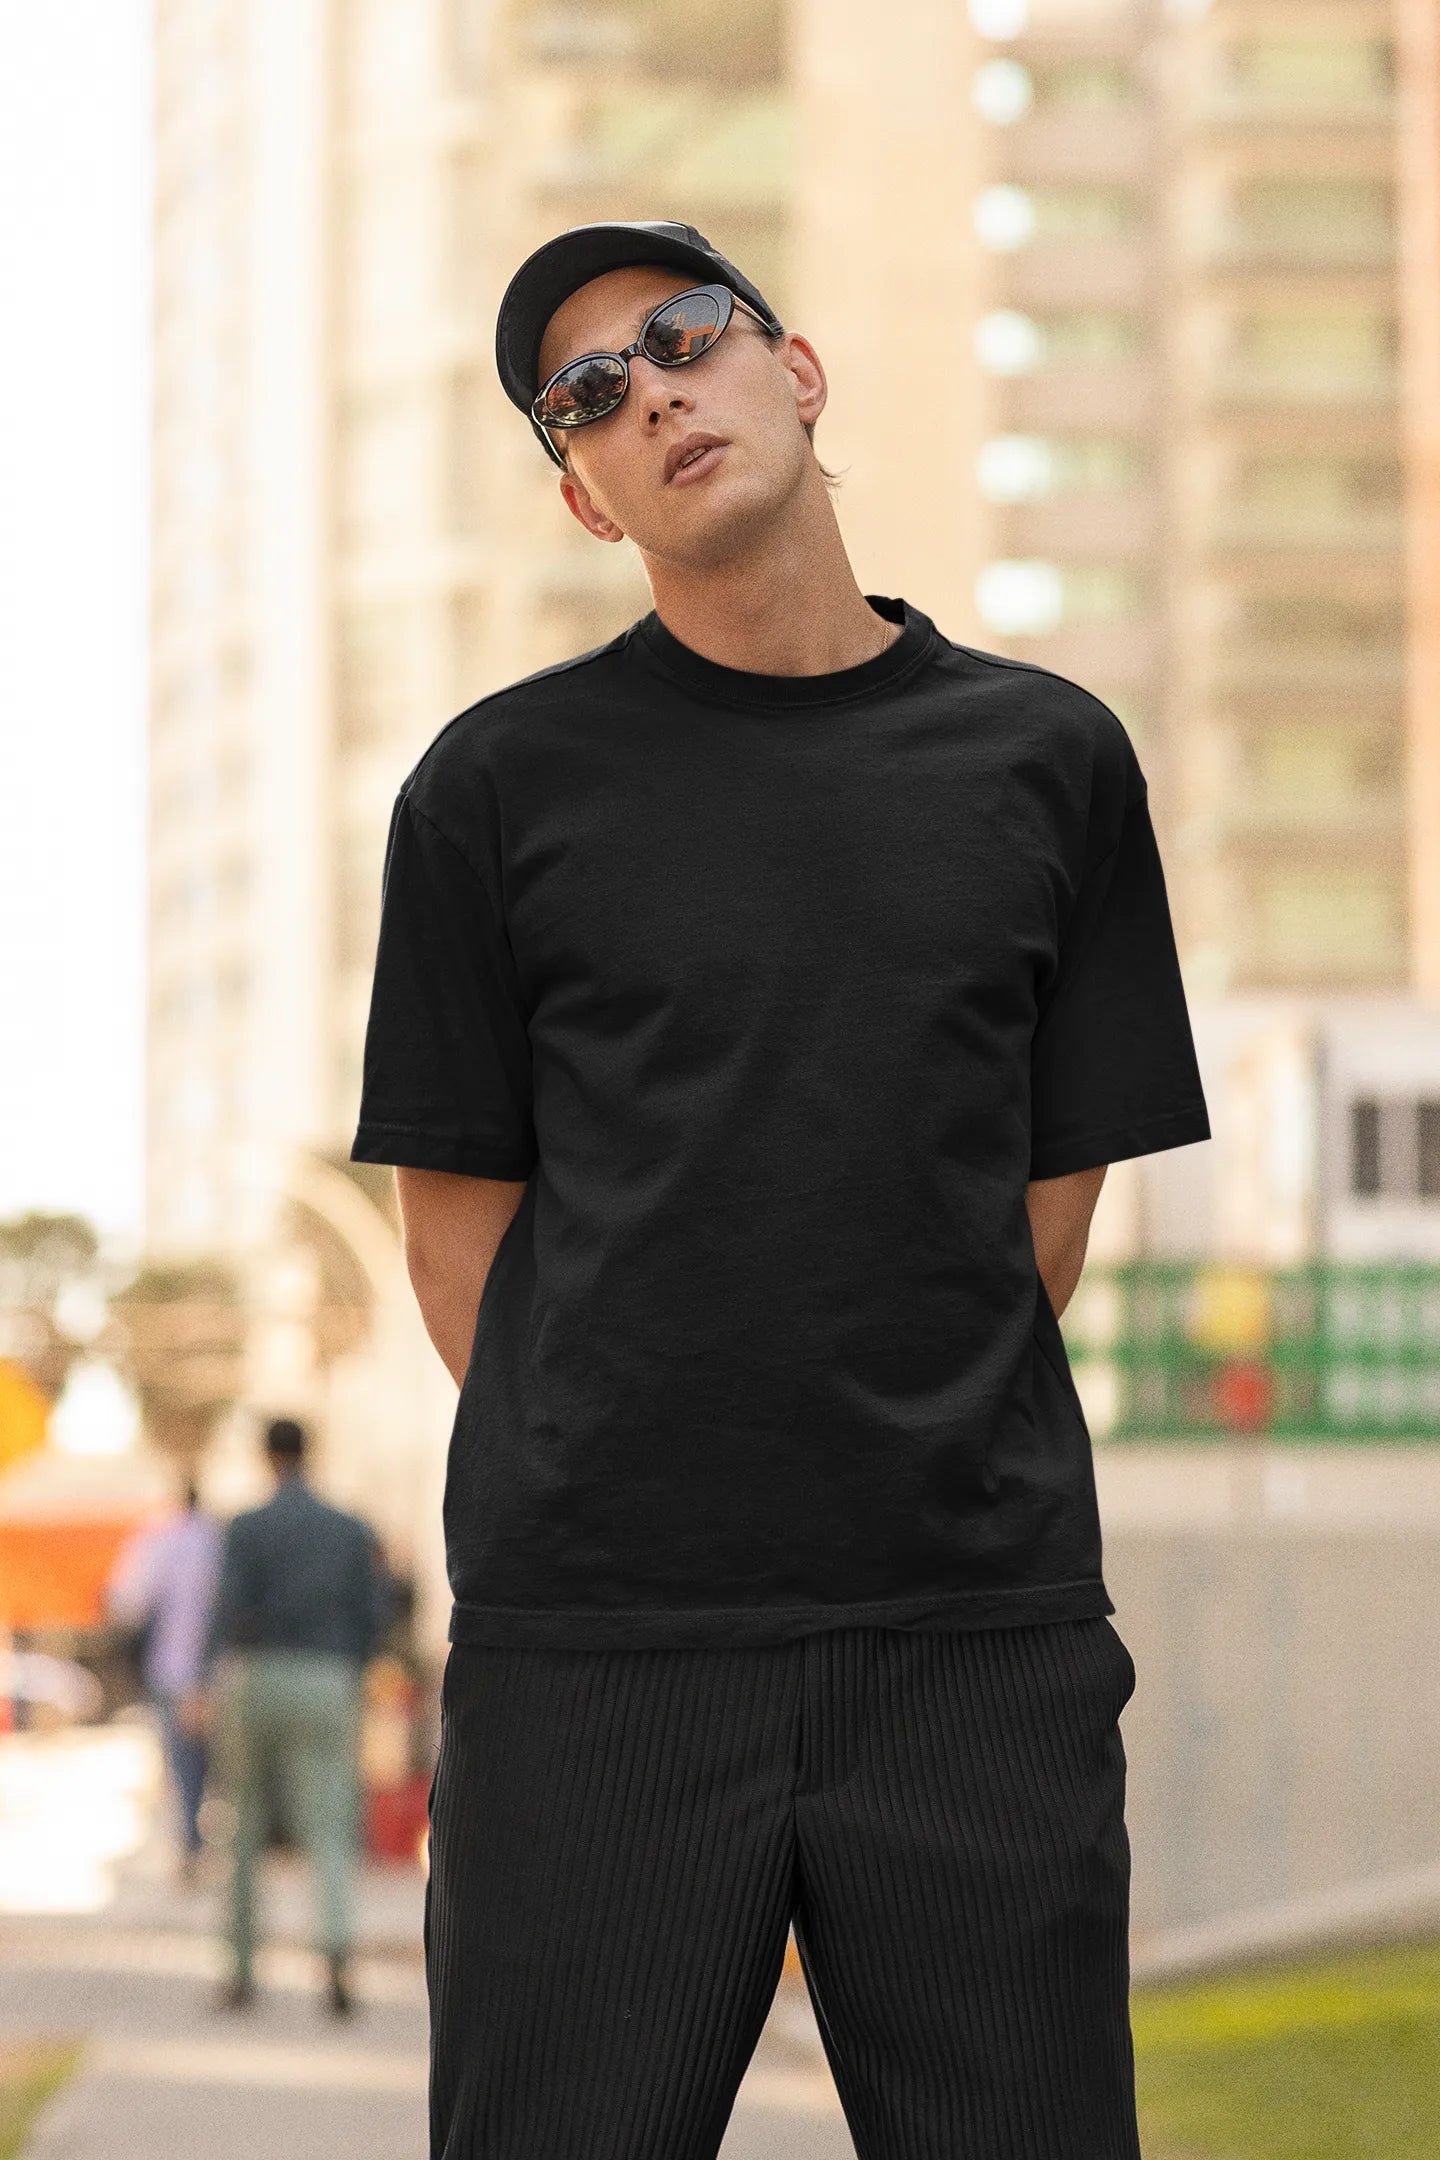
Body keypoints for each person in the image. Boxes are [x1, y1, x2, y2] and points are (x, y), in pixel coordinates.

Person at [350, 219, 1213, 2159]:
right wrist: (628, 1466)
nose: (650, 389)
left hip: (972, 1636)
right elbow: (456, 1236)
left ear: (797, 371)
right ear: (584, 495)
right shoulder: (493, 792)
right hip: (603, 1660)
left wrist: (891, 1426)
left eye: (683, 340)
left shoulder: (1050, 761)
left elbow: (1049, 1199)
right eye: (586, 395)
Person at [192, 1416, 392, 2017]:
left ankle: (242, 1970)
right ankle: (334, 1957)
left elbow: (225, 1609)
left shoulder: (247, 1528)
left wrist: (203, 1683)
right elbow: (376, 1613)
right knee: (329, 1823)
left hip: (259, 1675)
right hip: (330, 1677)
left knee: (244, 1824)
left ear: (264, 1456)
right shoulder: (350, 1530)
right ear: (310, 1453)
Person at [106, 1479, 223, 1881]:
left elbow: (127, 1602)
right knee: (211, 1763)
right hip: (221, 1671)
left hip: (174, 1669)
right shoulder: (219, 1541)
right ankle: (200, 1840)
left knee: (183, 1761)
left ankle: (192, 1842)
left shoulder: (159, 1542)